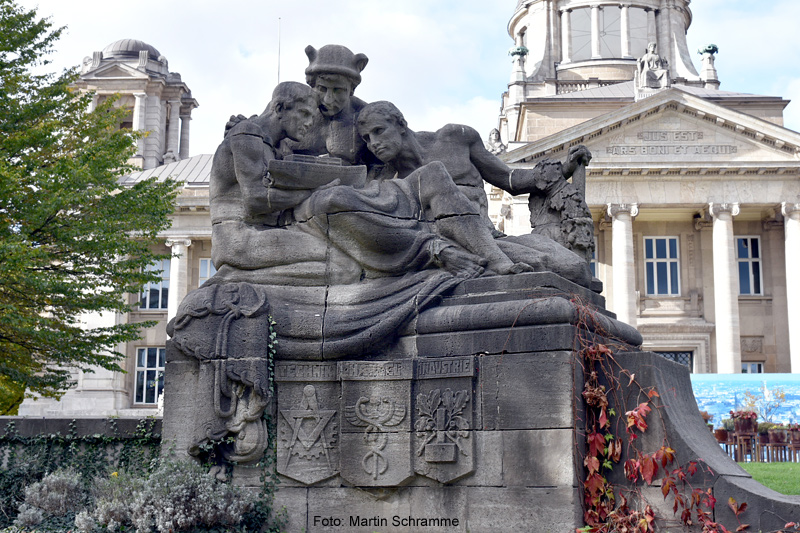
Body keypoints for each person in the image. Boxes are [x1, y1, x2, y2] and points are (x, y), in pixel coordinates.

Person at [355, 101, 594, 286]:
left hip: (490, 237)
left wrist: (564, 169)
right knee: (559, 267)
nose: (373, 143)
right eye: (366, 138)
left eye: (379, 131)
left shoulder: (455, 138)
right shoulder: (386, 178)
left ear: (400, 125)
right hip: (452, 244)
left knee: (574, 266)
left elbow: (509, 179)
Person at [280, 44, 377, 167]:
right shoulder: (290, 107)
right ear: (312, 85)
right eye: (322, 88)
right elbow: (263, 132)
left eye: (338, 90)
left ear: (351, 90)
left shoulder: (366, 117)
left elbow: (387, 164)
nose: (328, 99)